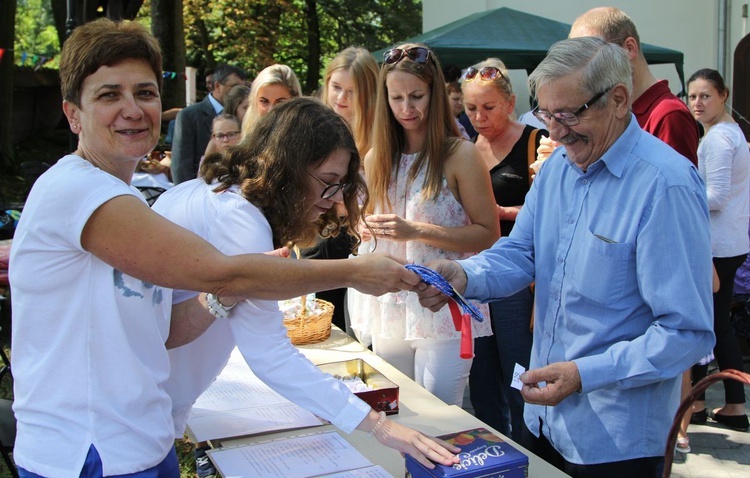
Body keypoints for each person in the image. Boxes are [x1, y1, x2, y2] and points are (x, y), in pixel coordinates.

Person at [7, 19, 436, 477]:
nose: (132, 109)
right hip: (88, 452)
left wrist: (229, 294)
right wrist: (353, 273)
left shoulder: (134, 200)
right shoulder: (78, 190)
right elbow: (226, 276)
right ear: (73, 113)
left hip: (142, 442)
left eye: (146, 93)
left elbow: (166, 329)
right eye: (109, 95)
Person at [418, 37, 714, 477]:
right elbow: (521, 253)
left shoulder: (664, 184)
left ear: (617, 99)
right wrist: (461, 274)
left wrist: (585, 374)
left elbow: (686, 333)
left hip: (616, 440)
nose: (555, 131)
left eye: (569, 114)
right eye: (546, 115)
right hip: (545, 420)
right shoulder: (558, 168)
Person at [156, 97, 459, 475]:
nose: (330, 201)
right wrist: (381, 427)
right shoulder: (239, 219)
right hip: (141, 422)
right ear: (287, 168)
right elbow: (270, 355)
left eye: (340, 187)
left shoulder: (214, 193)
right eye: (327, 184)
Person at [569, 7, 704, 452]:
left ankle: (676, 431)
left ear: (628, 50)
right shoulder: (623, 111)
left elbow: (668, 203)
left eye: (589, 54)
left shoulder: (667, 114)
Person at [347, 43, 500, 407]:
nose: (406, 108)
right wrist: (363, 228)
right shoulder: (376, 156)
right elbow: (361, 228)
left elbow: (488, 233)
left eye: (416, 96)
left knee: (438, 418)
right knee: (393, 415)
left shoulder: (460, 154)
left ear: (435, 93)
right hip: (390, 304)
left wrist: (415, 230)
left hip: (441, 306)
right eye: (396, 97)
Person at [459, 57, 547, 442]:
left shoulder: (536, 143)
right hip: (476, 273)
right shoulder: (465, 150)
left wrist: (502, 212)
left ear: (511, 104)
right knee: (481, 376)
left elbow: (550, 210)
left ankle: (530, 449)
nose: (479, 117)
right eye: (470, 108)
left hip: (516, 280)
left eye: (488, 107)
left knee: (518, 370)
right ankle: (494, 448)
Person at [687, 68, 750, 432]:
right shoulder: (728, 133)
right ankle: (732, 405)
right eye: (692, 96)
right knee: (716, 323)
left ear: (723, 96)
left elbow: (716, 196)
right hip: (729, 243)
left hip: (718, 246)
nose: (697, 103)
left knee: (706, 324)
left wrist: (680, 196)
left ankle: (700, 403)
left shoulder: (719, 139)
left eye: (705, 96)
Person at [301, 47, 380, 332]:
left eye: (352, 91)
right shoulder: (309, 128)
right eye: (336, 87)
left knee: (354, 332)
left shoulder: (380, 138)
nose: (341, 99)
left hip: (361, 242)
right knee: (318, 328)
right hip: (315, 236)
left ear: (369, 93)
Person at [569, 6, 699, 166]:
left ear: (629, 48)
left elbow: (676, 186)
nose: (586, 71)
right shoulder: (616, 110)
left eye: (594, 57)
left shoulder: (668, 115)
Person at [171, 64, 247, 184]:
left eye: (243, 87)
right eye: (234, 86)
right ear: (217, 86)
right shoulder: (189, 115)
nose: (240, 91)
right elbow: (181, 165)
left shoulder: (243, 113)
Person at [240, 64, 301, 139]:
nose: (271, 109)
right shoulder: (247, 142)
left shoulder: (308, 141)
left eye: (280, 102)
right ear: (254, 101)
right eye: (264, 101)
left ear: (295, 101)